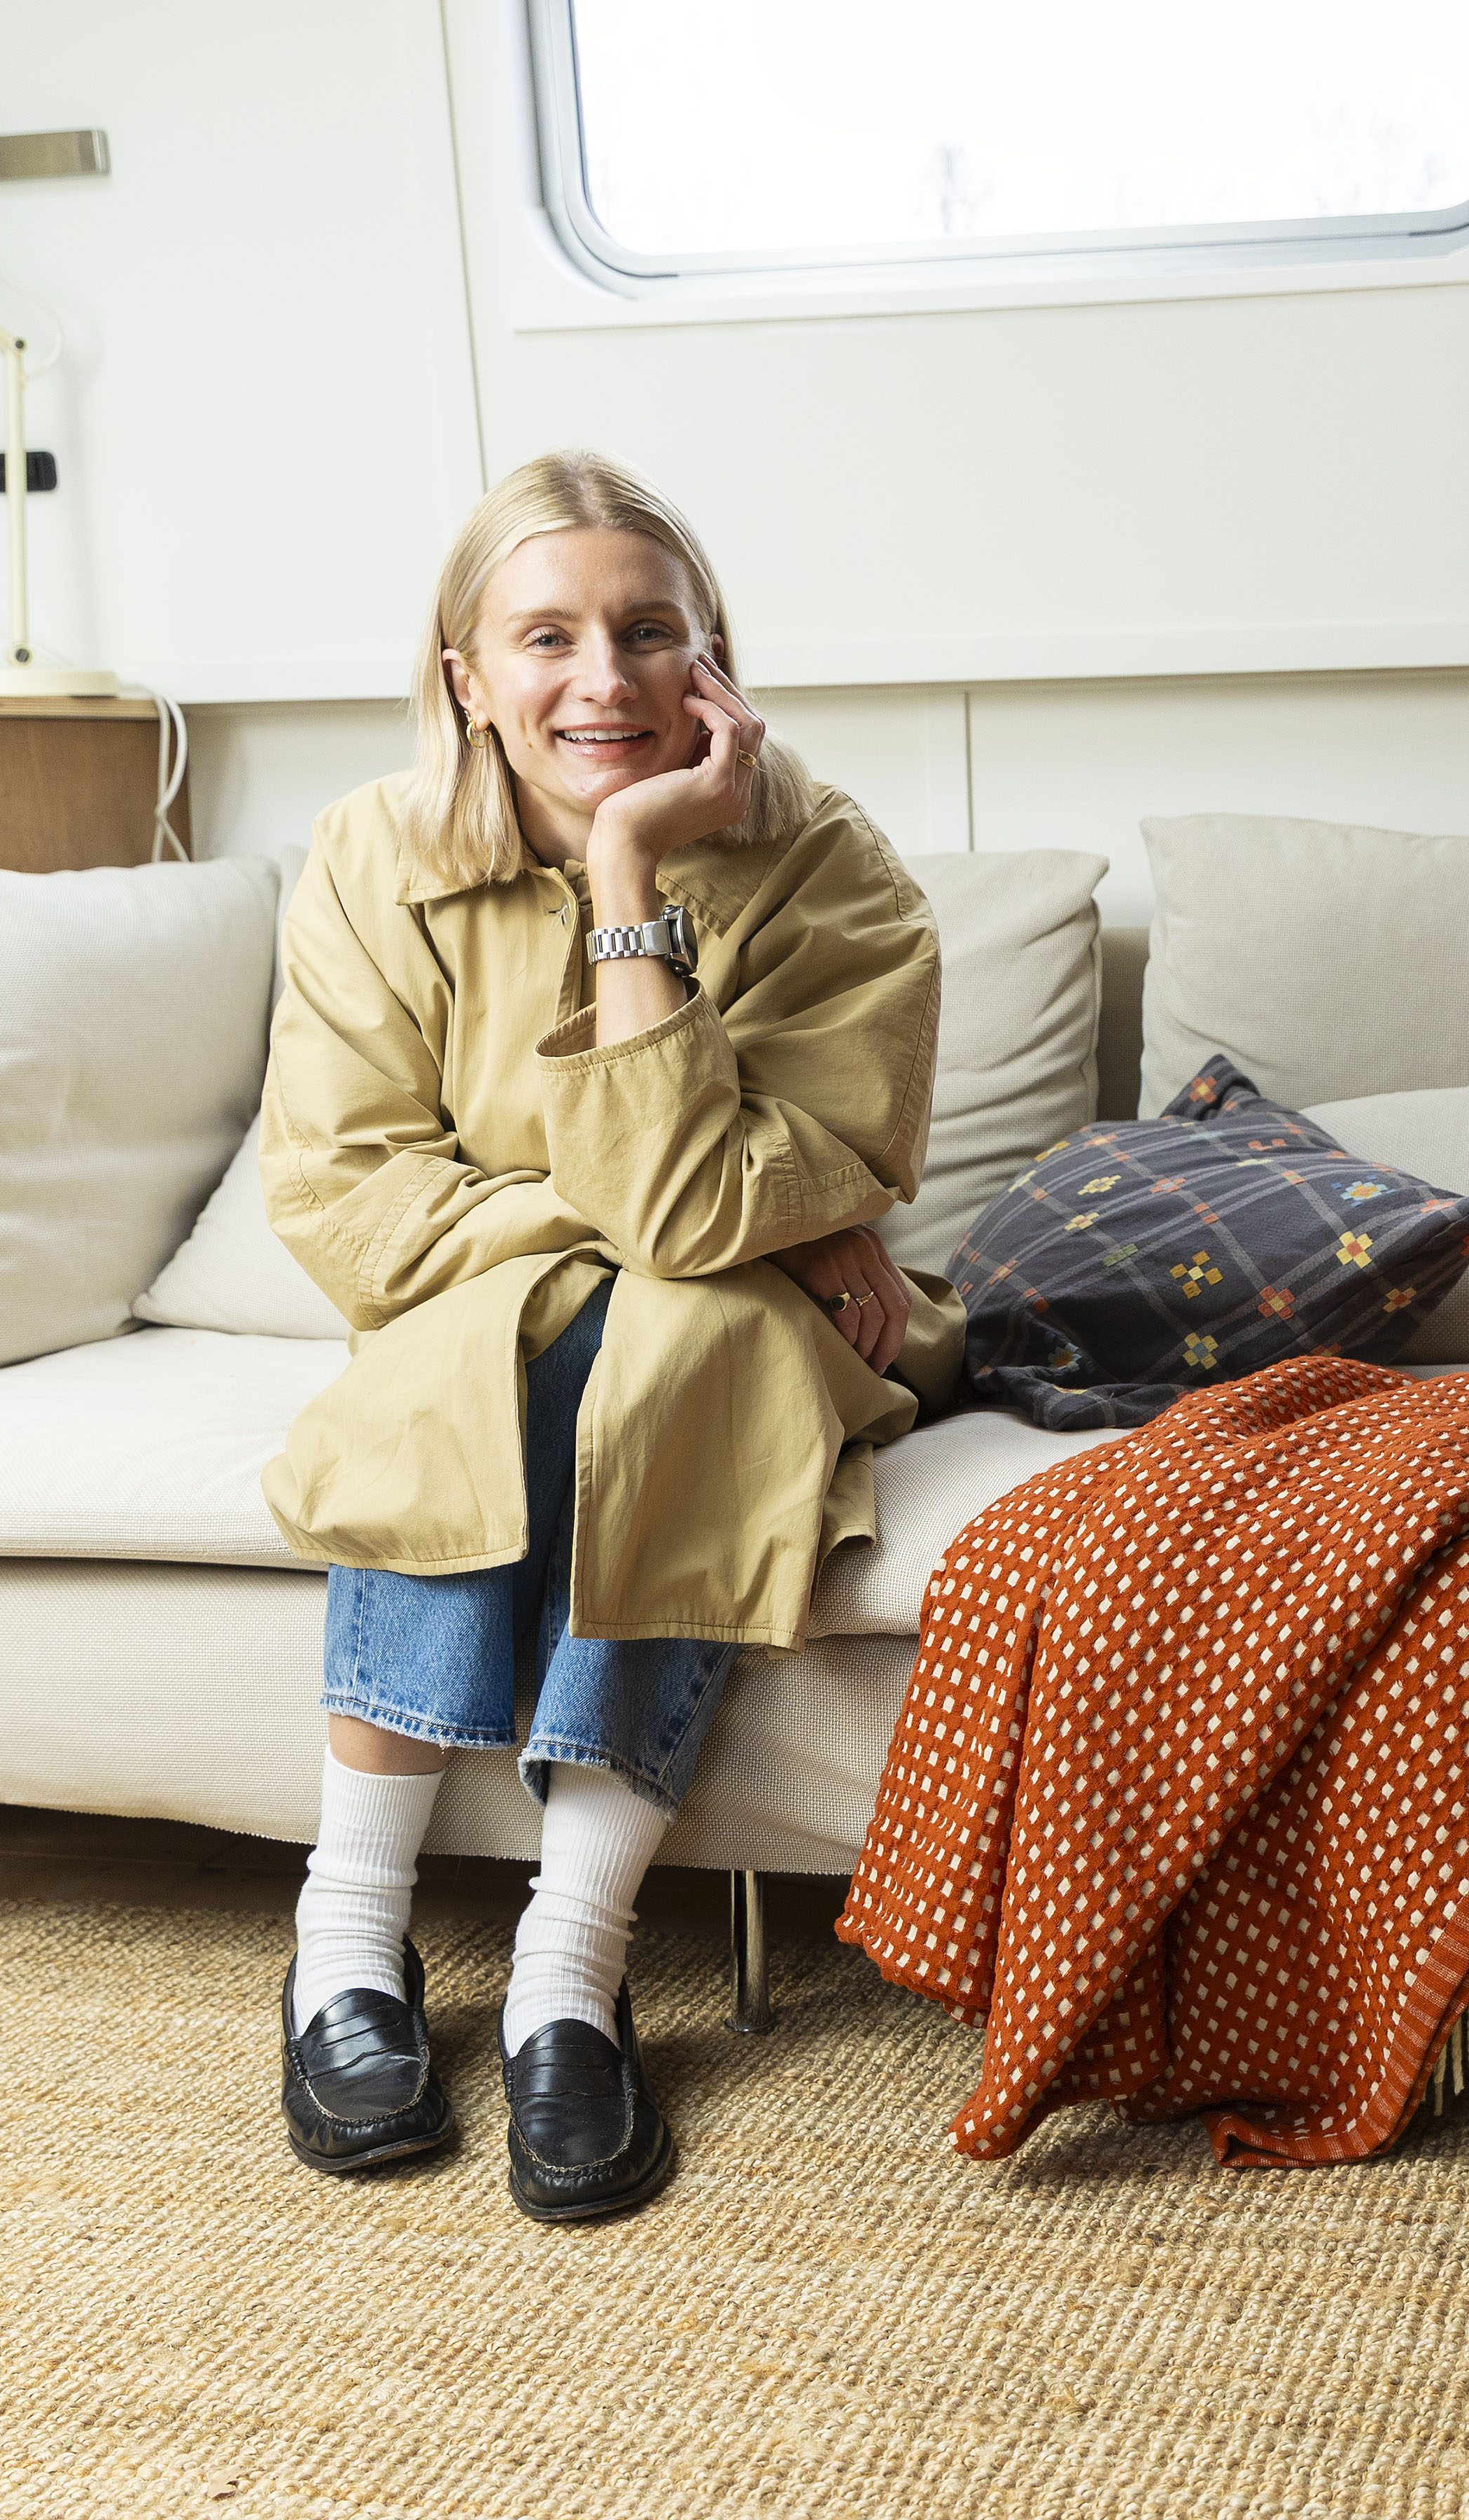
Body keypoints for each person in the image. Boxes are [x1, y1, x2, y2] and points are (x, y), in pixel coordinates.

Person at [257, 451, 958, 2221]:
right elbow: (347, 1200)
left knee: (693, 1340)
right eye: (547, 635)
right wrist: (688, 1230)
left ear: (714, 662)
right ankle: (348, 1939)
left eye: (653, 631)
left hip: (738, 1343)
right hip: (506, 1314)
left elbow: (721, 1220)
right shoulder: (366, 856)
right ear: (464, 681)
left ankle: (572, 1967)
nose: (606, 677)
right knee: (548, 1338)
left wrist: (633, 874)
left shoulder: (829, 872)